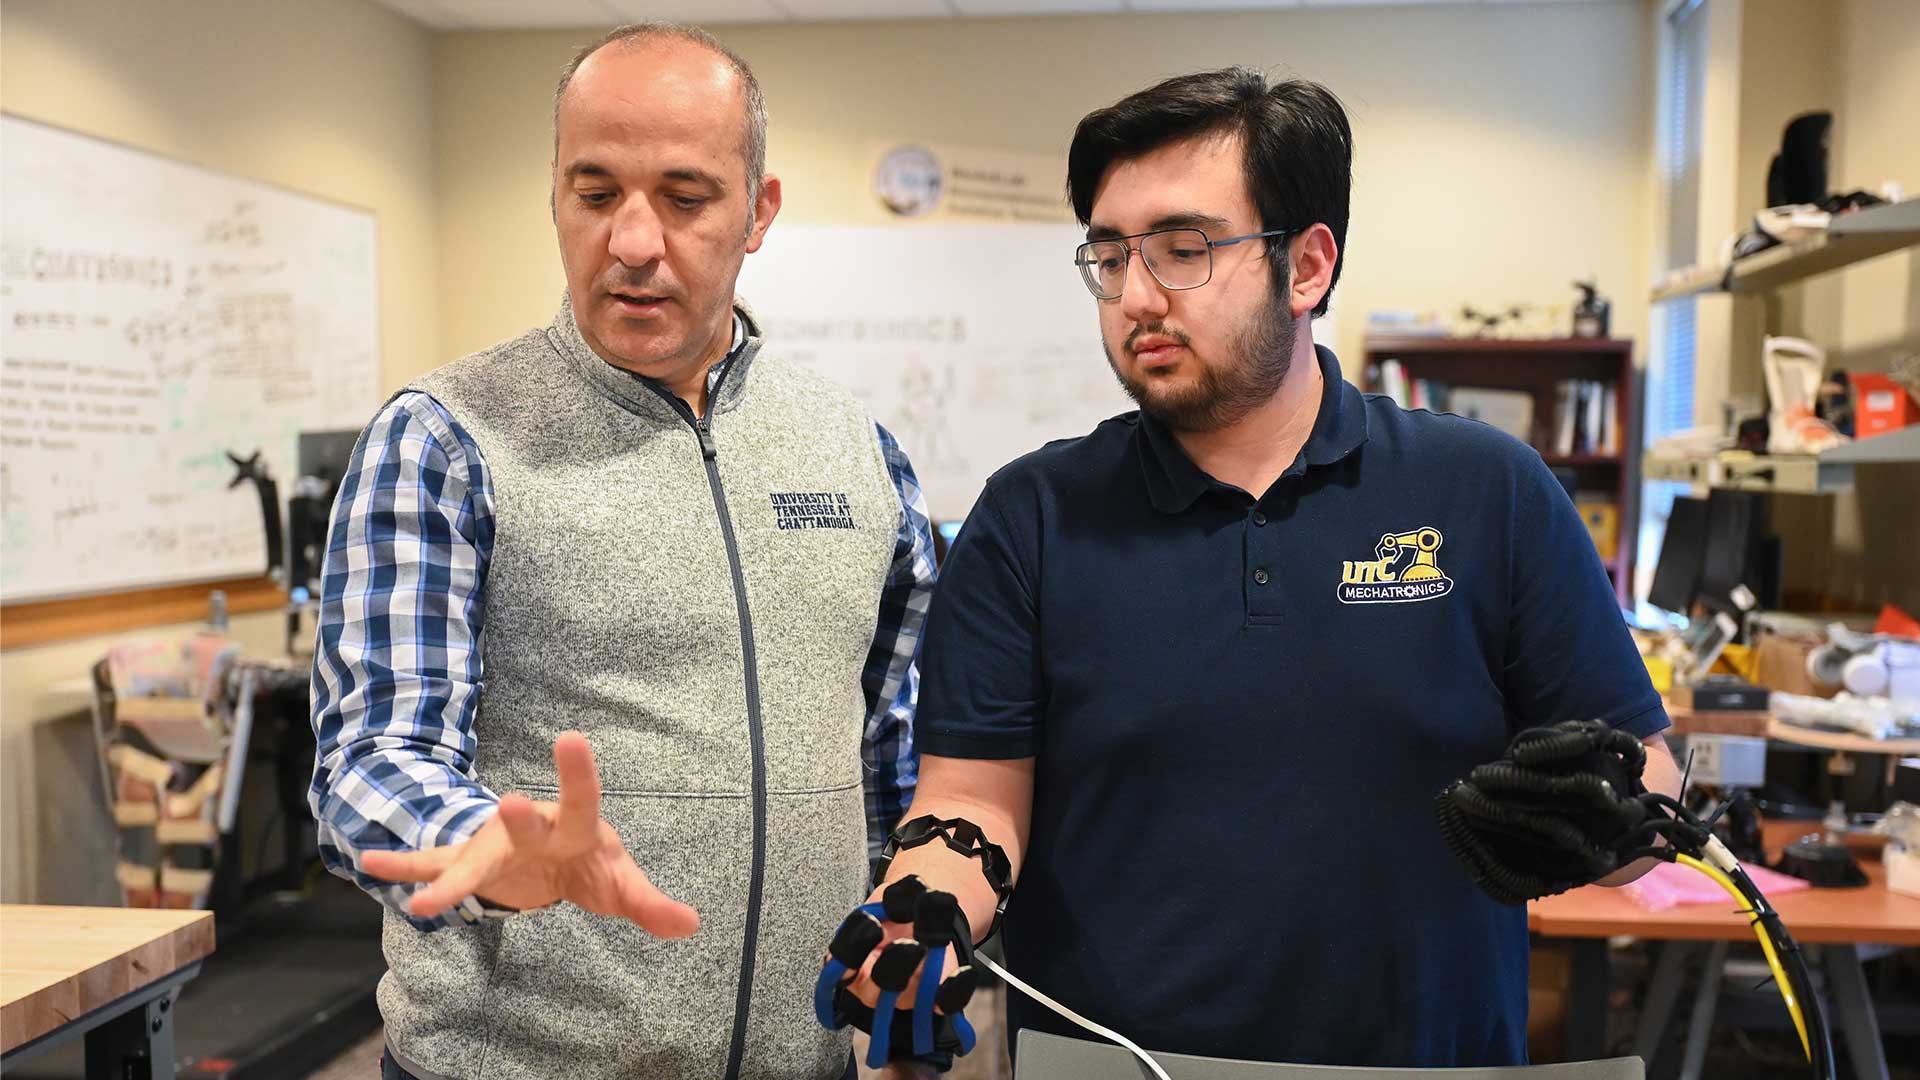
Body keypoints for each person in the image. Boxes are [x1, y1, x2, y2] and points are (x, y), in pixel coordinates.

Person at [830, 68, 1679, 1073]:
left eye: (1184, 251)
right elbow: (972, 798)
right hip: (1117, 1066)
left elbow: (1645, 776)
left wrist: (1597, 823)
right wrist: (921, 914)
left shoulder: (1486, 491)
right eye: (1110, 256)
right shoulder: (1032, 517)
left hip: (1431, 1062)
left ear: (1307, 266)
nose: (1137, 295)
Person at [307, 23, 935, 1080]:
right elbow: (368, 758)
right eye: (595, 195)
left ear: (758, 212)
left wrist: (904, 929)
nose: (633, 241)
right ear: (555, 196)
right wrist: (487, 845)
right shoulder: (446, 438)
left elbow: (889, 751)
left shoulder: (859, 450)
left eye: (685, 199)